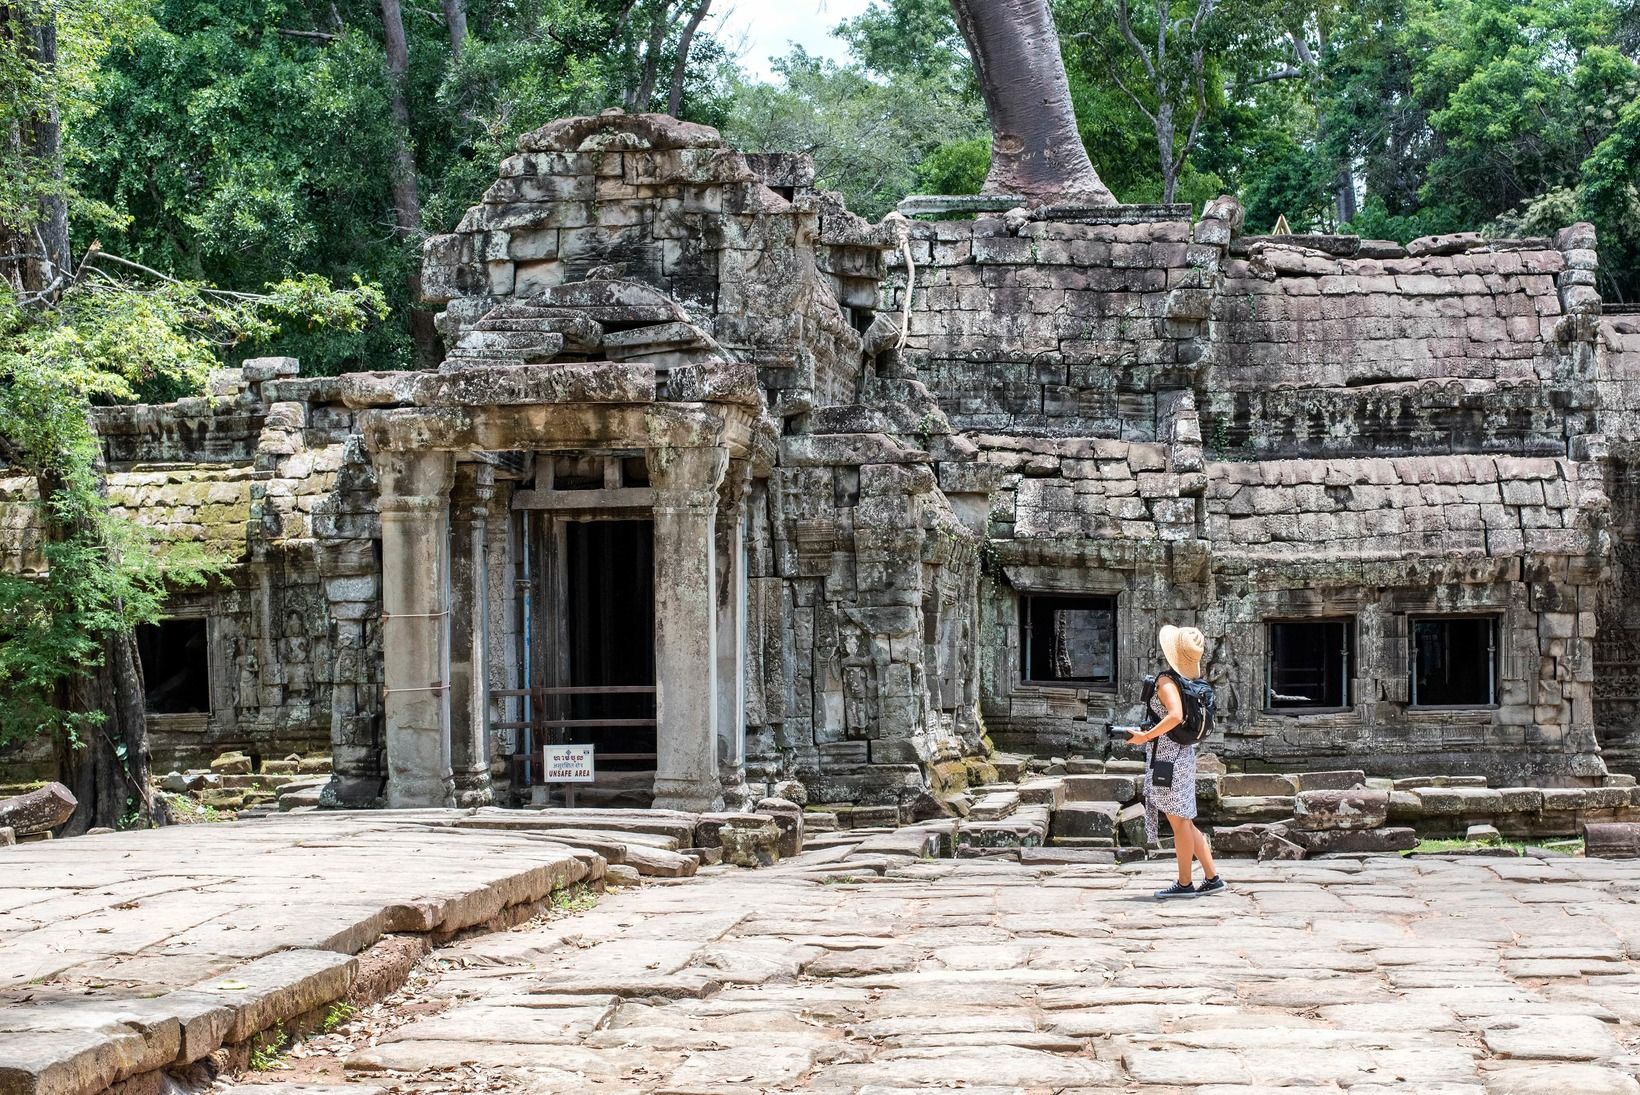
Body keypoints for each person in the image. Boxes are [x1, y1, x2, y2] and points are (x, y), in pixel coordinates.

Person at [1127, 624, 1225, 899]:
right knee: (1185, 820)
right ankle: (1212, 877)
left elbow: (1174, 715)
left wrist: (1145, 736)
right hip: (1184, 754)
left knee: (1179, 821)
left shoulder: (1167, 681)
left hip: (1167, 758)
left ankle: (1184, 884)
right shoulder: (1191, 682)